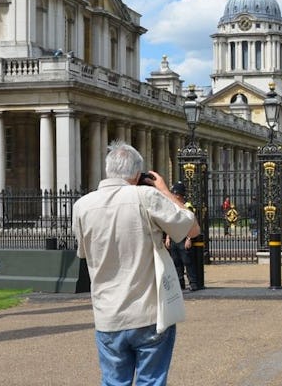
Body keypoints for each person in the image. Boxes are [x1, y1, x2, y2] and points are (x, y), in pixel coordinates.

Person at [72, 142, 200, 386]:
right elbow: (192, 229)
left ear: (109, 170)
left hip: (108, 315)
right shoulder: (146, 196)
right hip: (148, 314)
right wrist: (164, 190)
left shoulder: (82, 206)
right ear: (138, 174)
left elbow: (84, 254)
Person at [165, 182, 197, 291]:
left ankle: (193, 283)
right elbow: (170, 223)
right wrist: (168, 237)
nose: (173, 196)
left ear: (179, 195)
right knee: (176, 262)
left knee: (187, 262)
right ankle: (180, 284)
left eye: (174, 194)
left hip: (184, 238)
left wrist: (189, 239)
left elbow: (191, 224)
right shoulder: (172, 206)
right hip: (174, 238)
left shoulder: (187, 206)